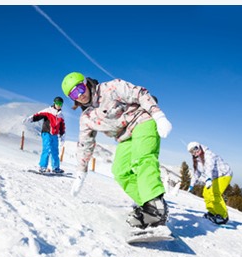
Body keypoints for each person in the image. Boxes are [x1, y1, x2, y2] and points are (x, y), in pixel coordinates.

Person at [61, 72, 172, 230]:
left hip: (142, 120)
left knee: (142, 159)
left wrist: (158, 115)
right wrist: (80, 172)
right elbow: (85, 143)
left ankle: (155, 206)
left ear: (86, 83)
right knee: (120, 171)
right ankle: (146, 205)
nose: (80, 95)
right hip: (125, 136)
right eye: (73, 93)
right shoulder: (87, 118)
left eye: (80, 88)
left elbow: (139, 93)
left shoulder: (109, 88)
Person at [186, 142, 233, 224]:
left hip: (224, 174)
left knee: (215, 193)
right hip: (214, 177)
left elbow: (209, 167)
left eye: (196, 148)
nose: (195, 152)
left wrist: (208, 179)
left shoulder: (209, 154)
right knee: (206, 193)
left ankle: (223, 216)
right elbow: (197, 173)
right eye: (192, 151)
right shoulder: (197, 159)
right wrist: (191, 184)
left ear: (199, 146)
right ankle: (213, 212)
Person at [23, 96, 66, 173]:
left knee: (55, 151)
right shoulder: (48, 111)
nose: (58, 105)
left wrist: (62, 135)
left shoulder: (61, 115)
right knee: (47, 149)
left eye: (60, 104)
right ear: (54, 103)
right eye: (57, 103)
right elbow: (38, 115)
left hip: (55, 135)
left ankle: (56, 168)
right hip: (46, 132)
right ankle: (42, 167)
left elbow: (62, 127)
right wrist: (31, 118)